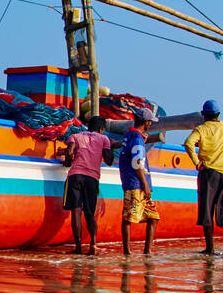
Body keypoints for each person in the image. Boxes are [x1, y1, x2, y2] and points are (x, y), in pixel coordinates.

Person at [184, 99, 223, 255]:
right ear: (218, 114)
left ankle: (210, 248)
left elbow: (188, 143)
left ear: (203, 114)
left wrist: (197, 162)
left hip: (208, 173)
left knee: (207, 210)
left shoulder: (201, 129)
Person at [62, 115, 115, 255]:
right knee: (90, 213)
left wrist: (67, 163)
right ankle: (93, 244)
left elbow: (69, 152)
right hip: (92, 178)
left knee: (76, 212)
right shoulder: (104, 139)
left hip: (75, 176)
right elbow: (109, 160)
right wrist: (111, 147)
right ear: (101, 129)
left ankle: (78, 247)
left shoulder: (75, 136)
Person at [119, 107, 160, 256]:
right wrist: (145, 185)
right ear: (146, 122)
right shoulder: (136, 139)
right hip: (136, 184)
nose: (151, 124)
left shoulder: (131, 136)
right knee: (128, 217)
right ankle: (127, 252)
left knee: (153, 217)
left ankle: (147, 251)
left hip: (135, 182)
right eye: (150, 122)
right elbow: (137, 163)